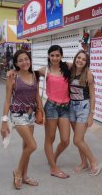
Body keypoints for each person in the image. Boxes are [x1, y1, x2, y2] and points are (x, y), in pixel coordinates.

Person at [0, 50, 43, 190]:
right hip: (18, 115)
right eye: (20, 60)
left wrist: (41, 112)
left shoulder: (35, 76)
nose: (24, 62)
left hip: (31, 115)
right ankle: (18, 172)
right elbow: (7, 101)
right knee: (32, 146)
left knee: (26, 147)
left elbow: (37, 96)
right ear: (16, 63)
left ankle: (24, 177)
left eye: (26, 59)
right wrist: (4, 122)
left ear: (30, 60)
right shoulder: (12, 78)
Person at [37, 45, 72, 179]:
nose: (55, 58)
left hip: (65, 108)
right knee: (50, 139)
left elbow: (82, 66)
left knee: (65, 140)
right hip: (51, 107)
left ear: (61, 56)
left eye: (57, 55)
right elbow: (27, 73)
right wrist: (13, 71)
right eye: (52, 55)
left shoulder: (67, 67)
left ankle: (53, 157)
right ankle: (53, 168)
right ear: (48, 56)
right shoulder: (44, 70)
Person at [69, 50, 102, 176]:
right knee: (80, 139)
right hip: (71, 107)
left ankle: (94, 162)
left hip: (83, 107)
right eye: (79, 58)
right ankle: (84, 163)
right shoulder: (71, 70)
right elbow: (56, 63)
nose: (80, 61)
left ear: (86, 63)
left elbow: (93, 96)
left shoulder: (88, 74)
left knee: (77, 140)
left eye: (83, 59)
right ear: (75, 58)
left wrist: (91, 115)